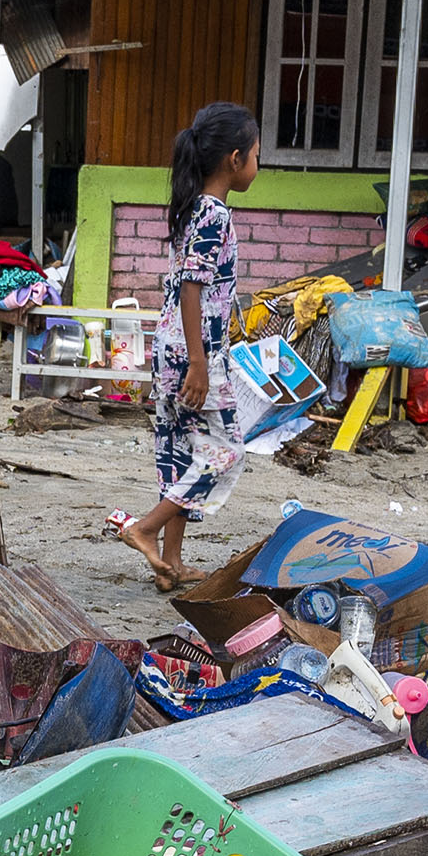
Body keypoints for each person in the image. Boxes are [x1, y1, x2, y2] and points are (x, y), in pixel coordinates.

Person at [113, 102, 255, 584]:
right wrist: (199, 362)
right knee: (226, 449)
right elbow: (193, 289)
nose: (259, 164)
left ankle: (169, 565)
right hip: (194, 354)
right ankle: (146, 530)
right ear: (235, 159)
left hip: (170, 346)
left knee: (180, 447)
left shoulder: (194, 206)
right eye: (256, 154)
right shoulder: (214, 215)